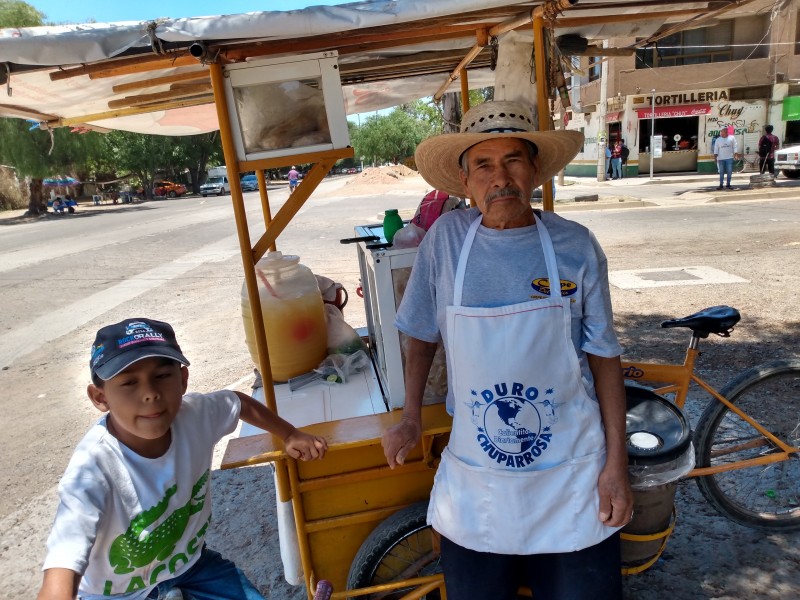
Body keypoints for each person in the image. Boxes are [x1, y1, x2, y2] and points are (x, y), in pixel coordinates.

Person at [381, 101, 632, 600]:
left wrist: (616, 466)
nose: (501, 178)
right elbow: (421, 336)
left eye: (514, 160)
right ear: (465, 178)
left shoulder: (576, 245)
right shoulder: (445, 243)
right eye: (484, 164)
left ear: (535, 169)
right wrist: (410, 416)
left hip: (573, 475)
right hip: (480, 482)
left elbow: (604, 357)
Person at [37, 317, 327, 600]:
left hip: (190, 566)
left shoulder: (196, 415)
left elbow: (237, 402)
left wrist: (289, 434)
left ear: (183, 379)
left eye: (162, 376)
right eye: (129, 383)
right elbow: (63, 566)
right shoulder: (92, 470)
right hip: (117, 593)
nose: (150, 393)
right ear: (100, 397)